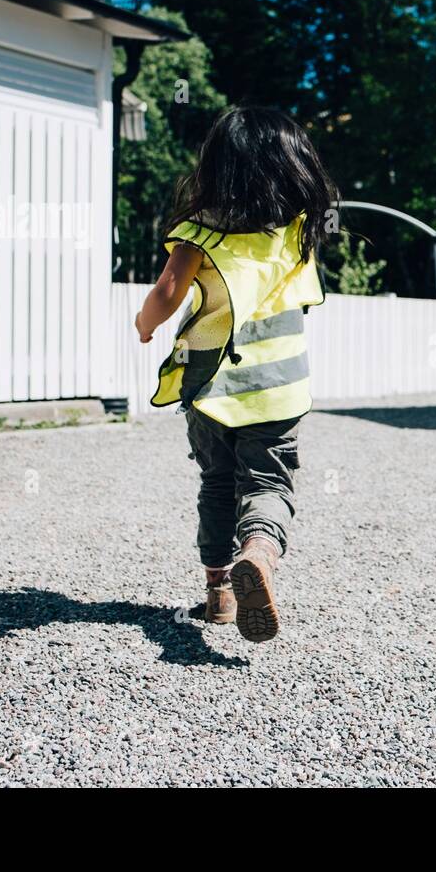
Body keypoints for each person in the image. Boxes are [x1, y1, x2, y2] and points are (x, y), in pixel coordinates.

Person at [135, 106, 335, 642]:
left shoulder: (199, 232)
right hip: (278, 391)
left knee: (218, 483)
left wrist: (144, 324)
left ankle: (220, 593)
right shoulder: (296, 231)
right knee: (268, 481)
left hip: (211, 388)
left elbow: (166, 295)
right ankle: (260, 555)